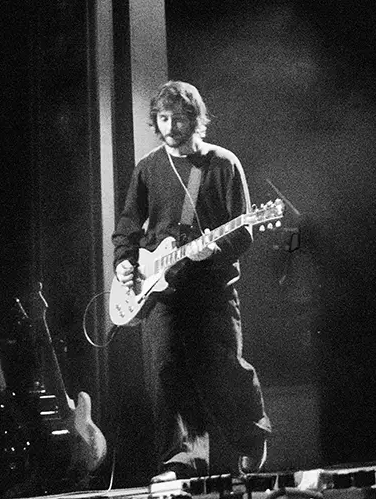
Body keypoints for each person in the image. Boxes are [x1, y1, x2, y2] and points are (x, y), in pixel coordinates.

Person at [112, 81, 270, 481]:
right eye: (163, 119)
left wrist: (213, 250)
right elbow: (128, 225)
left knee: (225, 368)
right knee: (165, 373)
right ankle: (180, 462)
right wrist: (124, 263)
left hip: (211, 289)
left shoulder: (223, 164)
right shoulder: (148, 167)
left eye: (178, 119)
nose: (170, 127)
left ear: (195, 119)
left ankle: (250, 439)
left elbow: (244, 231)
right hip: (161, 291)